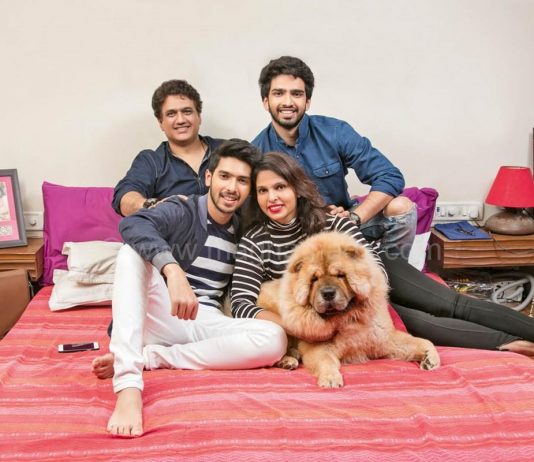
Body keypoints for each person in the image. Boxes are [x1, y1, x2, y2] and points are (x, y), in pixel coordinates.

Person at [230, 152, 534, 357]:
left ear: (296, 189)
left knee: (450, 303)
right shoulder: (254, 242)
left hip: (378, 278)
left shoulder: (331, 220)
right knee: (424, 324)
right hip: (338, 310)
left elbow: (370, 262)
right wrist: (298, 326)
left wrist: (371, 299)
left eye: (280, 187)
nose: (272, 198)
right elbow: (242, 304)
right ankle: (511, 344)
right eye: (262, 191)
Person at [92, 140, 287, 437]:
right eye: (225, 176)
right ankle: (128, 384)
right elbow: (134, 225)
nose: (231, 188)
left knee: (274, 338)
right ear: (209, 177)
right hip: (162, 312)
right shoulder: (182, 208)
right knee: (131, 253)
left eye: (242, 180)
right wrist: (172, 271)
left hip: (204, 319)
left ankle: (152, 357)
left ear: (249, 189)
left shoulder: (245, 228)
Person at [252, 56, 417, 258]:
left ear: (307, 101)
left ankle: (392, 272)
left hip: (344, 227)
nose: (288, 102)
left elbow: (389, 176)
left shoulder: (335, 131)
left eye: (296, 94)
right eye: (279, 93)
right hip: (293, 238)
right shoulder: (256, 152)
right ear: (266, 101)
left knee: (401, 207)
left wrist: (354, 217)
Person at [112, 79, 224, 216]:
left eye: (187, 111)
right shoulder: (151, 161)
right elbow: (124, 198)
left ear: (199, 117)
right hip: (177, 228)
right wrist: (155, 206)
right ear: (161, 123)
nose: (181, 120)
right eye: (171, 114)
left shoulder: (227, 150)